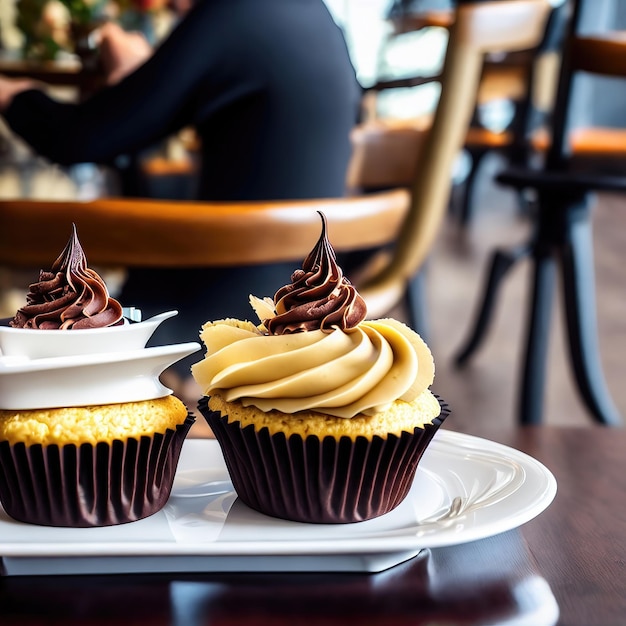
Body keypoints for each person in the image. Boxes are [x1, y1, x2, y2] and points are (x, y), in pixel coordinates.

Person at [0, 0, 363, 392]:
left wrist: (12, 95)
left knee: (19, 337)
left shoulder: (230, 13)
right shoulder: (310, 13)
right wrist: (143, 78)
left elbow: (78, 138)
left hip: (227, 307)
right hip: (304, 296)